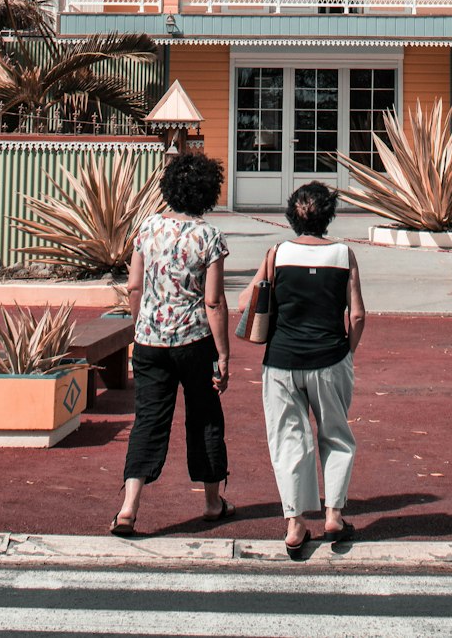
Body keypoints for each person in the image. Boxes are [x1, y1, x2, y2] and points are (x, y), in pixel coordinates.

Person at [240, 180, 366, 559]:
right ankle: (334, 515)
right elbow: (357, 314)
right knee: (336, 436)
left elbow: (247, 302)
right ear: (329, 215)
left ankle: (295, 523)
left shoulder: (276, 252)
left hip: (281, 361)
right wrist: (348, 353)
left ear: (291, 215)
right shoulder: (344, 254)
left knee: (288, 440)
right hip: (329, 356)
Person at [112, 153, 231, 537]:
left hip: (149, 340)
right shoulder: (208, 236)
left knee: (148, 419)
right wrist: (224, 353)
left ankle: (129, 507)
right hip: (194, 340)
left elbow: (133, 286)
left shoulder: (147, 229)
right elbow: (213, 301)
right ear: (207, 193)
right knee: (205, 418)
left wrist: (140, 326)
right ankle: (212, 502)